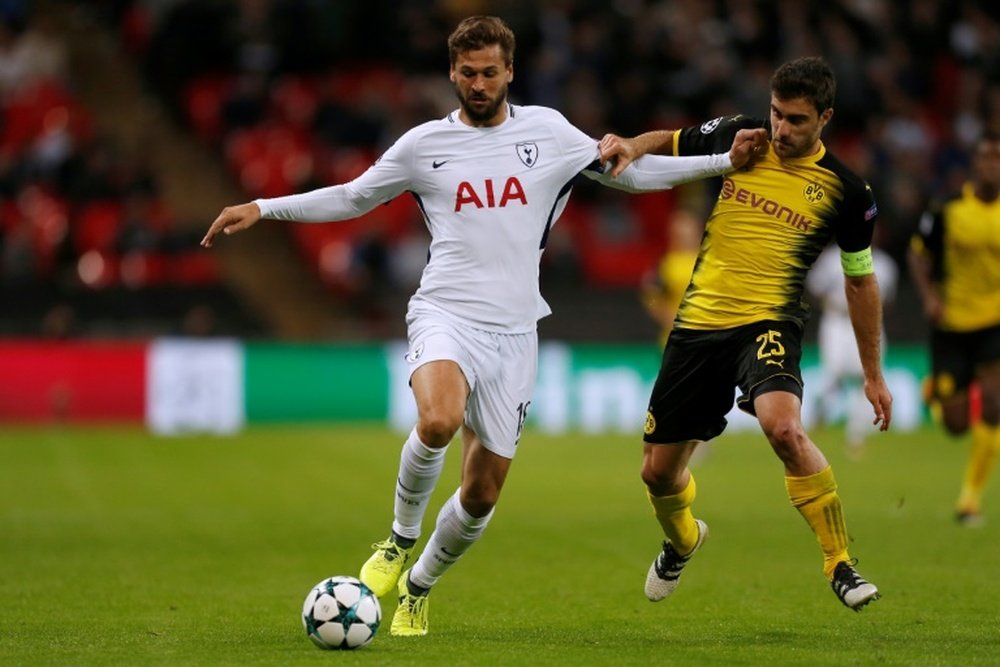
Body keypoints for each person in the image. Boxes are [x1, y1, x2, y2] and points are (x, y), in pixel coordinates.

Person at [202, 16, 765, 636]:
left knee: (481, 494)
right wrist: (262, 206)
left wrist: (721, 164)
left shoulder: (548, 132)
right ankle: (397, 541)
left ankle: (419, 586)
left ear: (509, 72)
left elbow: (626, 174)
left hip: (516, 332)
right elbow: (354, 195)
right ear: (451, 72)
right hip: (445, 311)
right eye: (467, 73)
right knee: (437, 419)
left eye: (489, 72)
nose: (478, 83)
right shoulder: (423, 145)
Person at [599, 56, 892, 611]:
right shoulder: (740, 137)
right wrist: (634, 146)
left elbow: (861, 282)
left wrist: (873, 374)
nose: (781, 129)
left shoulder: (848, 192)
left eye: (797, 120)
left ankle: (841, 564)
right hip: (698, 325)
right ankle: (684, 539)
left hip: (769, 321)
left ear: (825, 117)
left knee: (785, 430)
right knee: (658, 474)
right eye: (777, 114)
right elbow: (673, 139)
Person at [908, 132, 1000, 527]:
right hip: (950, 325)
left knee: (995, 404)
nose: (992, 166)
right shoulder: (946, 208)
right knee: (955, 425)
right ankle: (934, 390)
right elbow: (917, 253)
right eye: (986, 159)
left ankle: (969, 500)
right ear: (974, 164)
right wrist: (929, 297)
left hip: (993, 323)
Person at [806, 241, 898, 458]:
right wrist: (830, 303)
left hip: (869, 324)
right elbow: (814, 286)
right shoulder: (832, 258)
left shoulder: (885, 264)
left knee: (867, 379)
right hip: (837, 321)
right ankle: (818, 415)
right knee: (833, 376)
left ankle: (856, 437)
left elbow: (888, 298)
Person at [641, 208, 703, 349]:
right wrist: (666, 316)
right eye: (678, 228)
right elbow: (650, 297)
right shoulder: (665, 264)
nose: (684, 233)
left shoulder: (712, 261)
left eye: (687, 227)